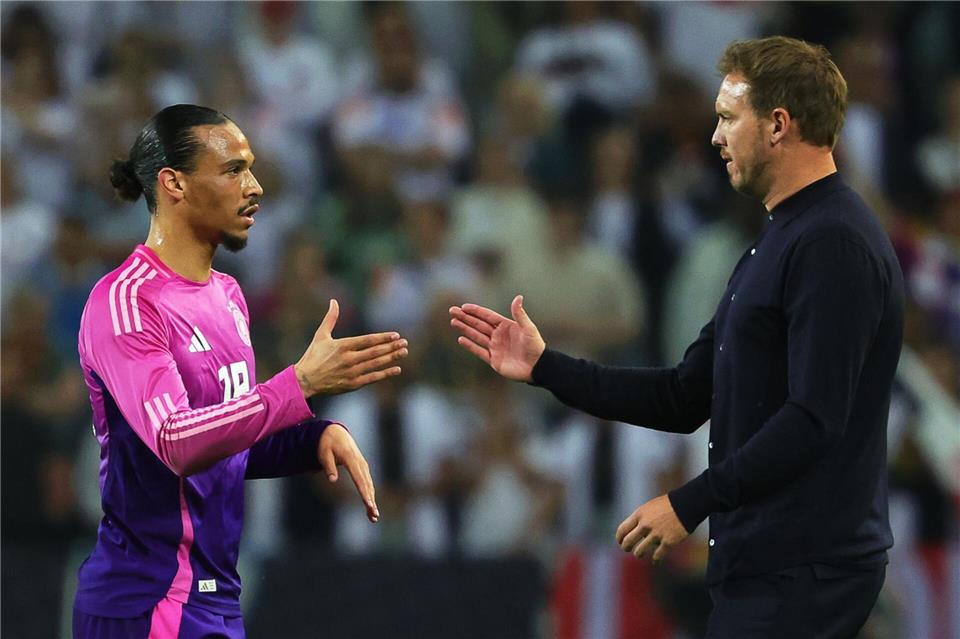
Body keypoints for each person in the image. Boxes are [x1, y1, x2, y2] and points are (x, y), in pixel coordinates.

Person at [450, 36, 904, 638]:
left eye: (726, 119)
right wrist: (545, 367)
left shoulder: (832, 245)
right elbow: (685, 395)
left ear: (777, 125)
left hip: (803, 571)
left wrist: (689, 504)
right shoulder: (779, 240)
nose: (714, 138)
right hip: (768, 569)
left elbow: (814, 418)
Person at [74, 104, 408, 638]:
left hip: (215, 598)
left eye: (250, 168)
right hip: (148, 600)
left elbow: (225, 442)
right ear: (173, 183)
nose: (254, 186)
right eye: (233, 170)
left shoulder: (228, 296)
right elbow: (177, 442)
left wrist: (311, 439)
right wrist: (297, 385)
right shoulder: (127, 302)